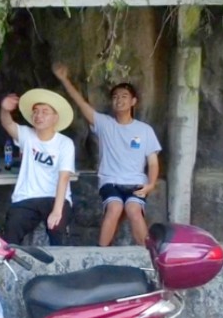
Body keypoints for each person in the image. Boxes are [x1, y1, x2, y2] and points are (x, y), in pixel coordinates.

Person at [54, 63, 161, 247]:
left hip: (136, 181)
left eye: (124, 97)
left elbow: (152, 163)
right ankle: (101, 253)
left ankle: (149, 256)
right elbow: (81, 104)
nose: (119, 100)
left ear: (133, 102)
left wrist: (150, 184)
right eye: (115, 97)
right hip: (110, 181)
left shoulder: (145, 130)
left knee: (134, 210)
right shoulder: (104, 124)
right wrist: (65, 80)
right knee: (115, 207)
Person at [0, 88, 76, 246]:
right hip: (26, 197)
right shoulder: (27, 135)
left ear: (55, 118)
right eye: (36, 111)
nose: (38, 116)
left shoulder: (65, 143)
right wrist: (4, 109)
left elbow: (64, 178)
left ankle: (60, 270)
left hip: (55, 197)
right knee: (11, 231)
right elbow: (7, 123)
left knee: (57, 230)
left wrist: (57, 210)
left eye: (45, 112)